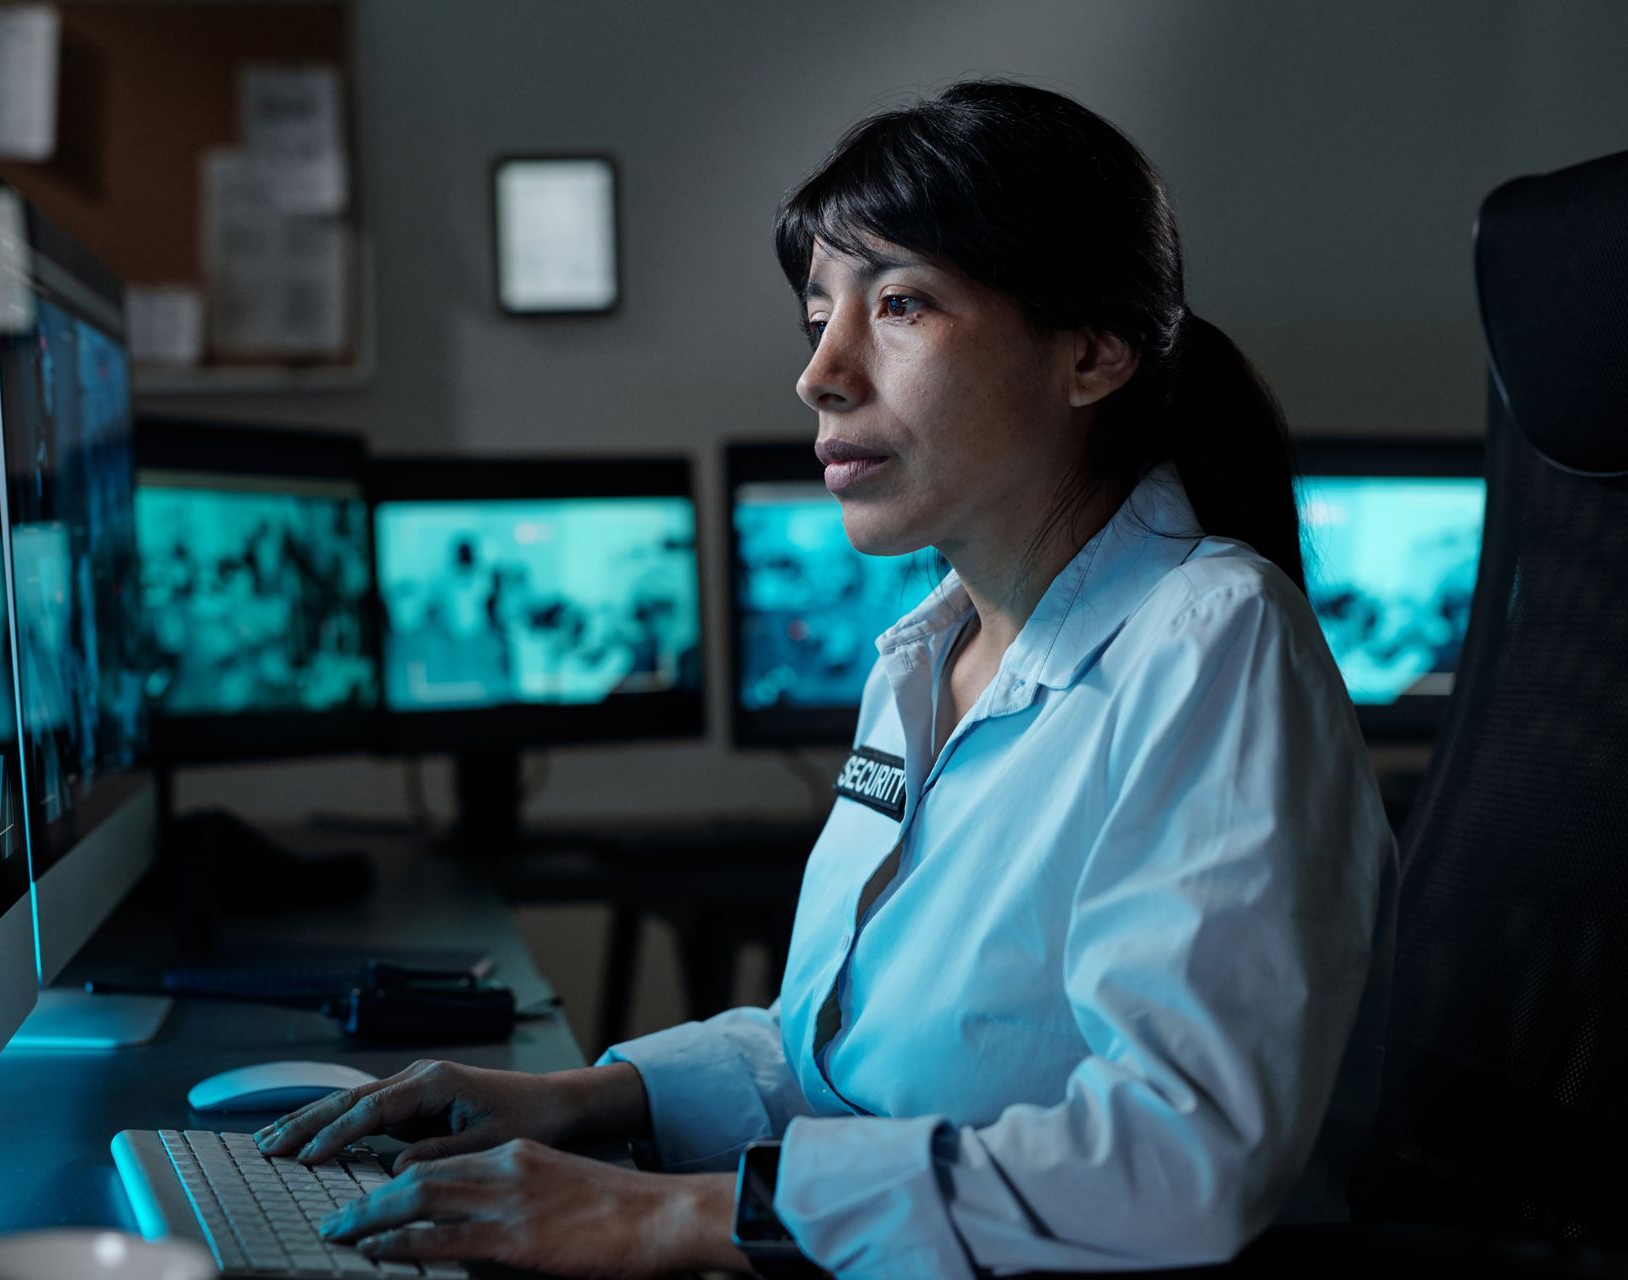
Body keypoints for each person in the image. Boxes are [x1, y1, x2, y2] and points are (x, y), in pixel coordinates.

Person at [257, 79, 1397, 1278]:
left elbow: (1180, 1158)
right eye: (818, 316)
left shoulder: (1214, 641)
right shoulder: (927, 654)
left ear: (1093, 351)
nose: (822, 374)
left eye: (899, 303)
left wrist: (679, 1213)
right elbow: (847, 1056)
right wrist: (593, 1097)